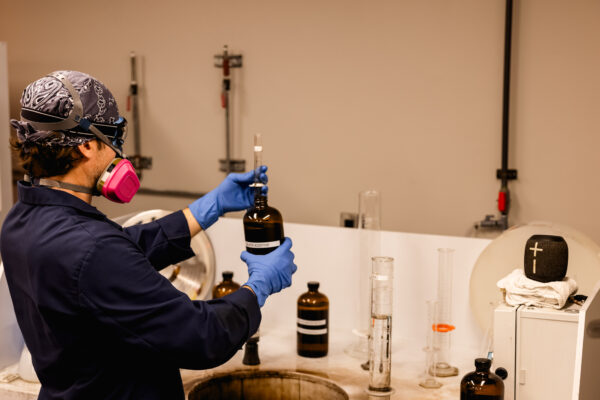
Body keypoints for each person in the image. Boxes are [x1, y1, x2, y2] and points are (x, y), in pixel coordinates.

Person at [0, 70, 297, 400]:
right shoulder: (93, 248)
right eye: (112, 137)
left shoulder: (20, 221)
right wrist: (259, 287)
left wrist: (207, 208)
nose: (117, 152)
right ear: (85, 145)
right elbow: (202, 337)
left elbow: (117, 254)